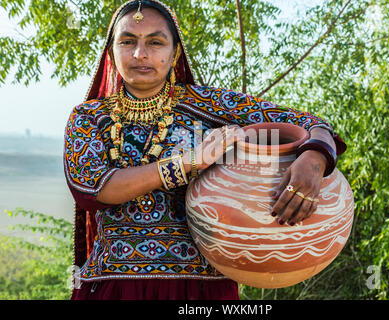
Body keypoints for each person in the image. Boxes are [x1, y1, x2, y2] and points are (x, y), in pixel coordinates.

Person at [65, 0, 347, 300]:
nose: (140, 53)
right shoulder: (89, 116)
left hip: (203, 289)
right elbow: (93, 187)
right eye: (127, 41)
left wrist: (314, 160)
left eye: (155, 42)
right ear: (111, 51)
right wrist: (191, 162)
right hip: (117, 287)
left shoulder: (211, 107)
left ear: (174, 54)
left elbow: (311, 124)